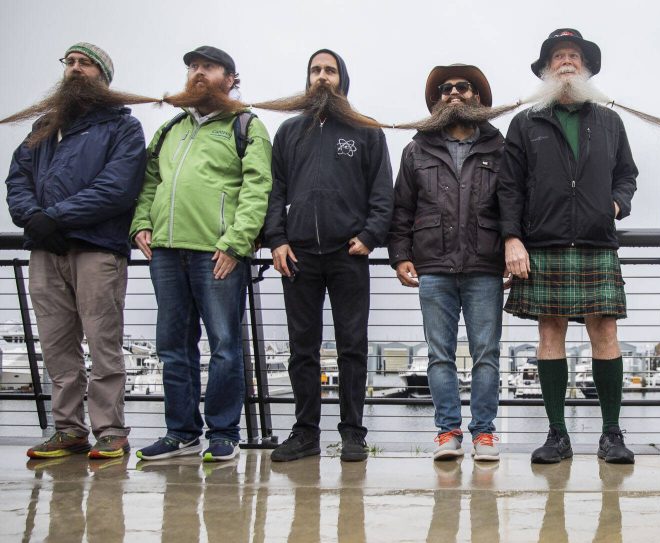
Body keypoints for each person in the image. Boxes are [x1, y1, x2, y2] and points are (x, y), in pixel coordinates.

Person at [499, 29, 639, 465]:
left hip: (597, 240)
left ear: (586, 67)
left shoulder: (610, 121)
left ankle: (611, 434)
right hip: (544, 240)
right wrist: (511, 237)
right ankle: (557, 435)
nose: (565, 62)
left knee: (606, 332)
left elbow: (627, 173)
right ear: (545, 69)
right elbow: (509, 186)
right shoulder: (526, 122)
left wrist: (618, 203)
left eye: (573, 56)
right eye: (558, 56)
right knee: (549, 333)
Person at [131, 46, 272, 462]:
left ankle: (224, 433)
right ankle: (181, 433)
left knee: (226, 344)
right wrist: (141, 221)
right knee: (172, 345)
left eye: (208, 68)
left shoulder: (247, 125)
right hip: (166, 252)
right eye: (192, 67)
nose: (197, 74)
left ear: (230, 79)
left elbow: (257, 187)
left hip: (218, 253)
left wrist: (236, 242)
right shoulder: (171, 128)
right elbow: (150, 180)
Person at [5, 42, 147, 460]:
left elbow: (117, 187)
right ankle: (68, 428)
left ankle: (110, 430)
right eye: (70, 62)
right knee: (56, 343)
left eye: (85, 64)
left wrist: (56, 217)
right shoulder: (44, 127)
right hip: (45, 249)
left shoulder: (123, 127)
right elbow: (17, 177)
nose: (75, 69)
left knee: (104, 341)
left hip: (97, 249)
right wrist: (32, 218)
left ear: (103, 76)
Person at [262, 49, 393, 463]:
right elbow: (274, 191)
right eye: (315, 70)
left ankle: (353, 433)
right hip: (297, 256)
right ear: (308, 79)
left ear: (343, 79)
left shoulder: (366, 131)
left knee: (352, 346)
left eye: (330, 71)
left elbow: (383, 193)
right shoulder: (288, 132)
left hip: (348, 254)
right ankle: (305, 433)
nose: (322, 77)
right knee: (303, 348)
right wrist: (276, 239)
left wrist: (370, 236)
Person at [389, 64, 505, 462]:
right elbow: (401, 208)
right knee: (439, 355)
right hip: (433, 267)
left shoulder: (500, 148)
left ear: (478, 97)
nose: (453, 92)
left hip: (485, 267)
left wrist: (511, 249)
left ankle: (485, 434)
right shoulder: (415, 149)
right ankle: (448, 433)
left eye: (463, 86)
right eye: (444, 88)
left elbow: (513, 208)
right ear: (436, 100)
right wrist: (400, 255)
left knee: (486, 354)